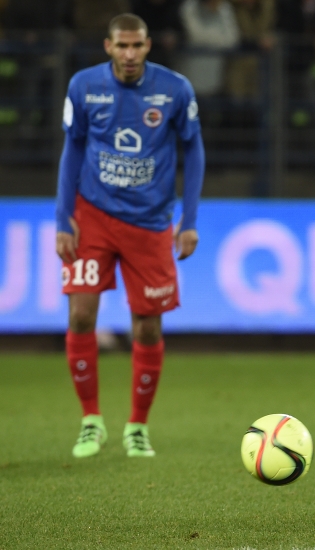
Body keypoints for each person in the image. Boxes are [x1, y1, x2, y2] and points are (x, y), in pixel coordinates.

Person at [55, 13, 205, 458]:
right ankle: (91, 421)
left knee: (148, 324)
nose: (129, 54)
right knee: (81, 314)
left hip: (151, 220)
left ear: (148, 45)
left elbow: (193, 148)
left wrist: (190, 219)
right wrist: (64, 217)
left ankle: (137, 426)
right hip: (93, 214)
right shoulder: (84, 86)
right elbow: (73, 149)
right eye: (122, 46)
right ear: (107, 47)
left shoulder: (175, 89)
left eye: (137, 46)